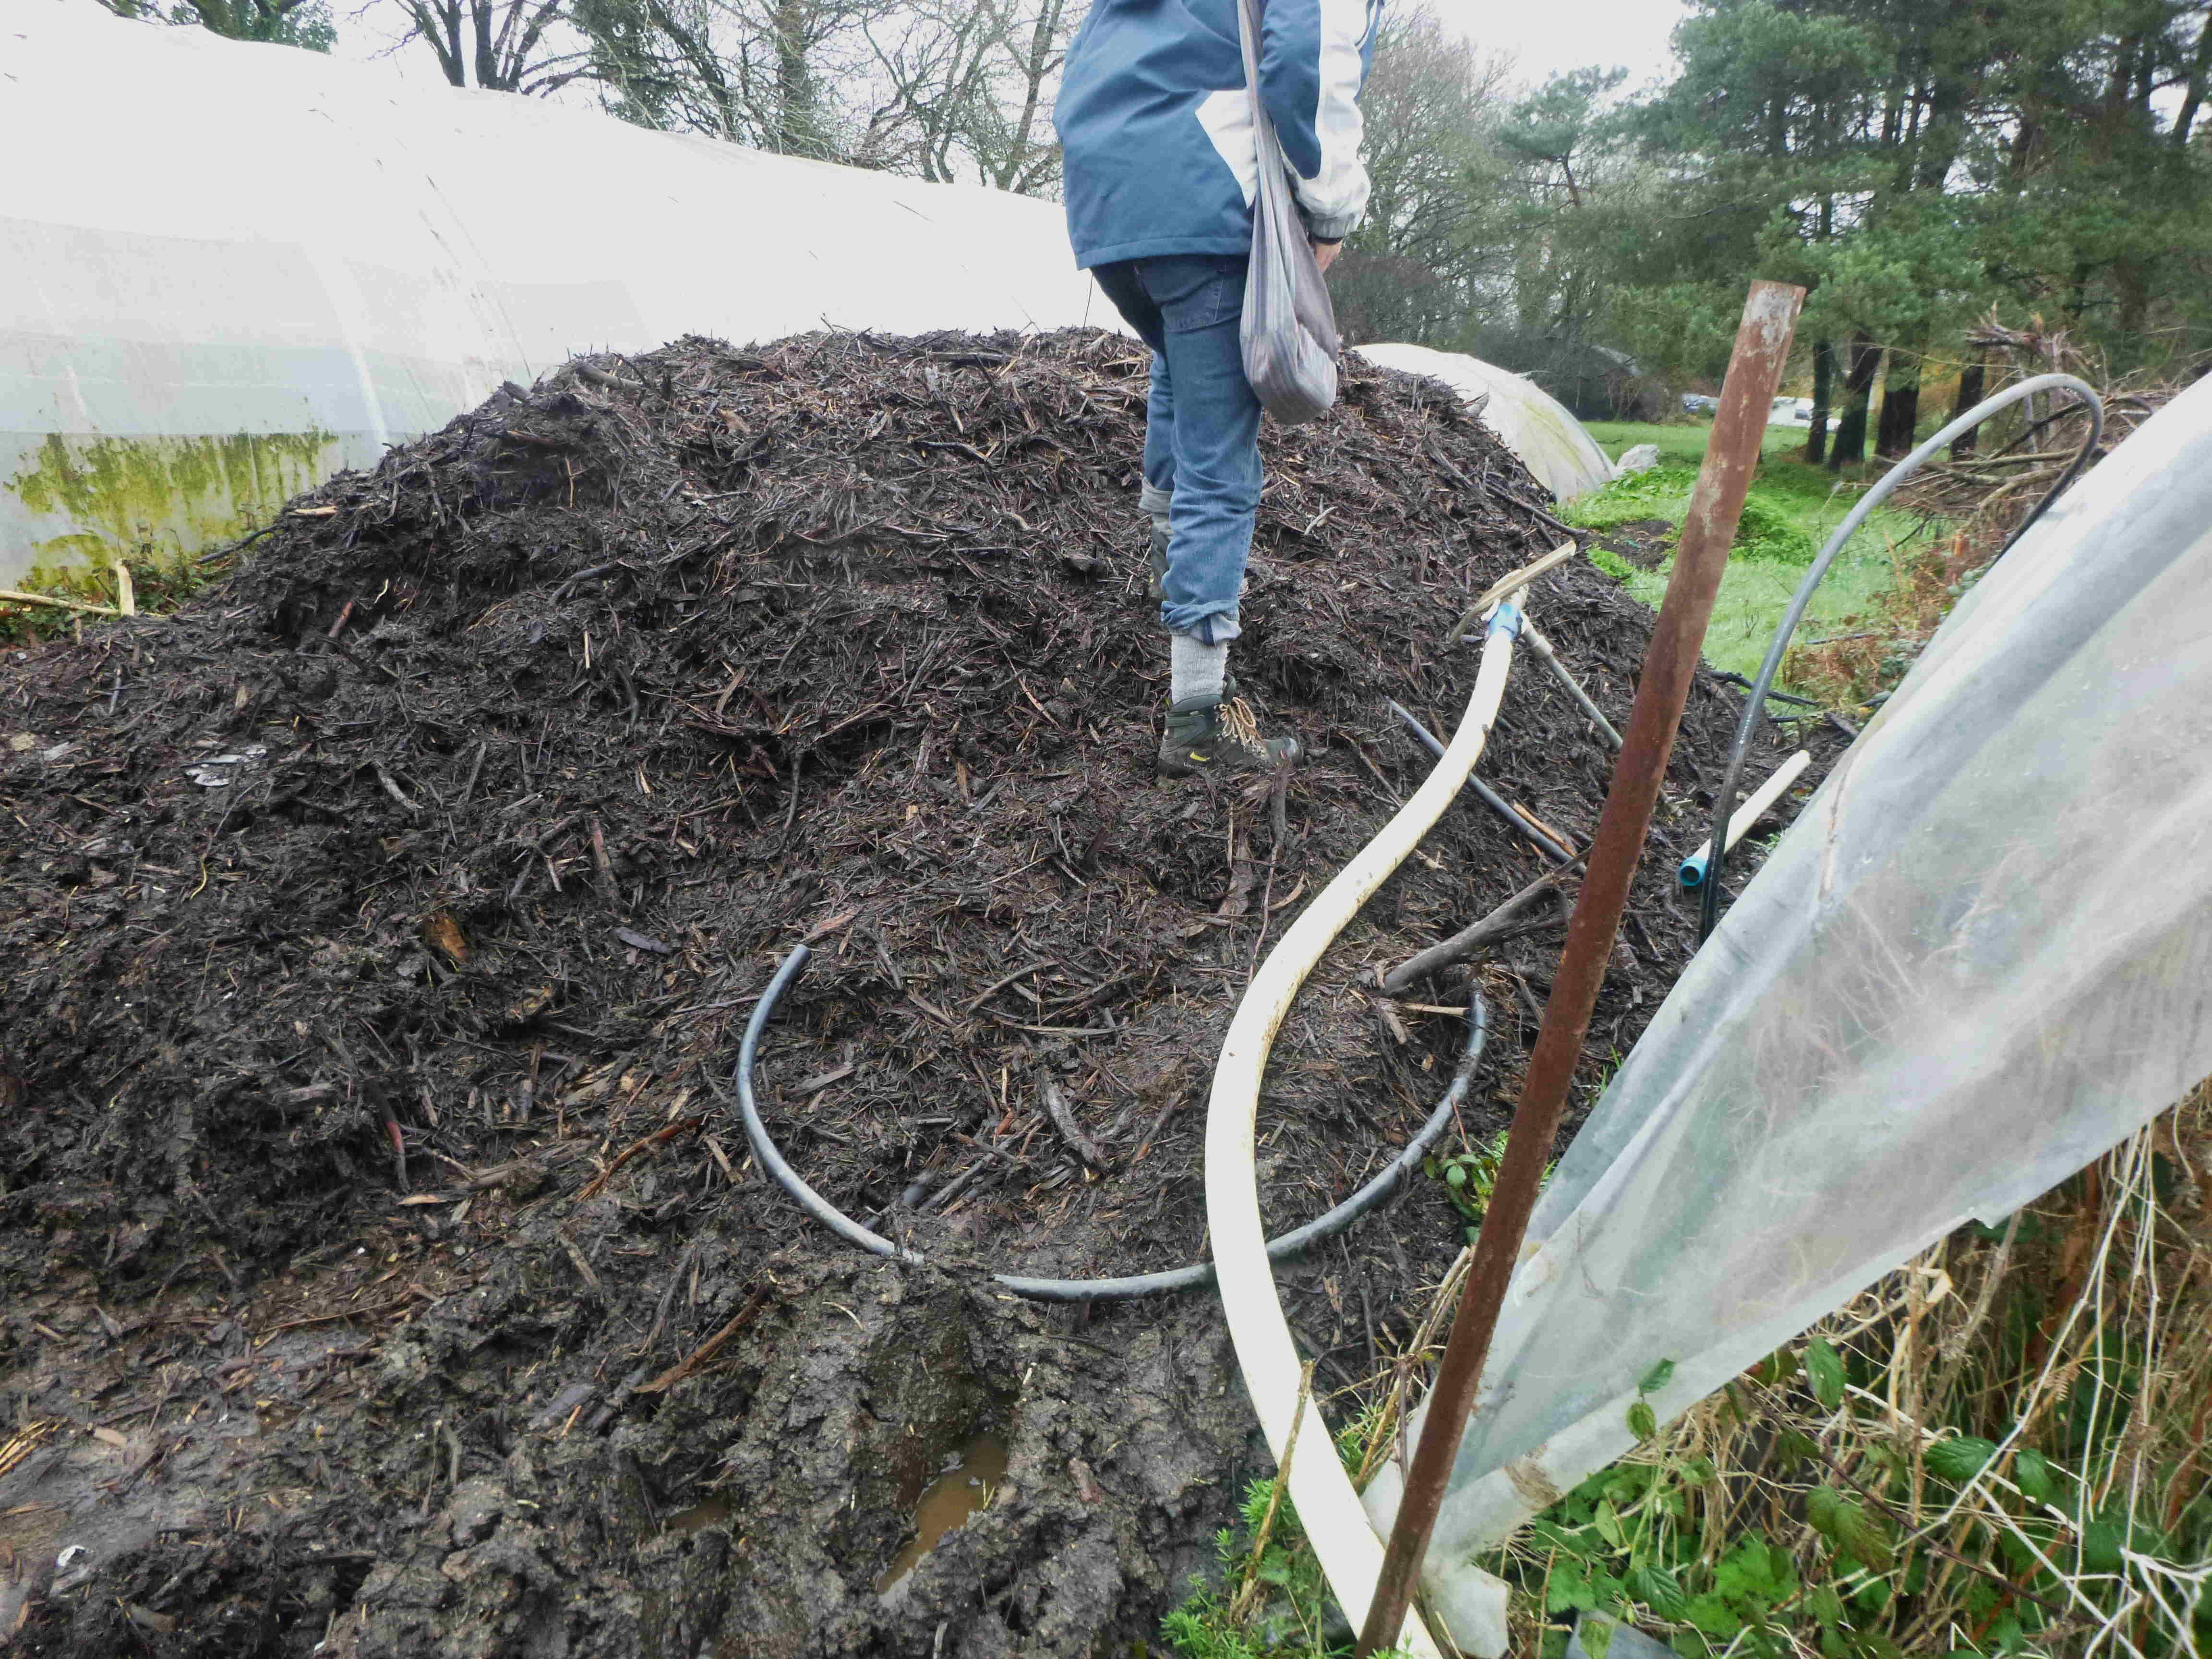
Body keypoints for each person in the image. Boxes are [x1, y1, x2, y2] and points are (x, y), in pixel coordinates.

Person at [1056, 0, 1380, 776]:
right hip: (1208, 188)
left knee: (1182, 373)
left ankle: (1166, 596)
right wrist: (1330, 211)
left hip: (1109, 202)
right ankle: (1198, 720)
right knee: (1220, 464)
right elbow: (1308, 58)